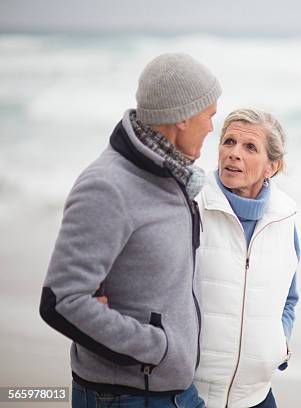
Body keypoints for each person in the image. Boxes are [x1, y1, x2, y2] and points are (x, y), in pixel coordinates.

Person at [39, 53, 221, 408]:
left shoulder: (173, 176)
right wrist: (155, 349)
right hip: (124, 398)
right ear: (182, 118)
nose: (212, 128)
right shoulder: (108, 186)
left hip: (177, 391)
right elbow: (61, 300)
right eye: (209, 116)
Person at [195, 108, 300, 408]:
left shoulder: (285, 217)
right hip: (192, 396)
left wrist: (276, 346)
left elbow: (289, 298)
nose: (233, 154)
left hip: (257, 396)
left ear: (272, 167)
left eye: (249, 147)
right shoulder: (192, 205)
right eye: (228, 142)